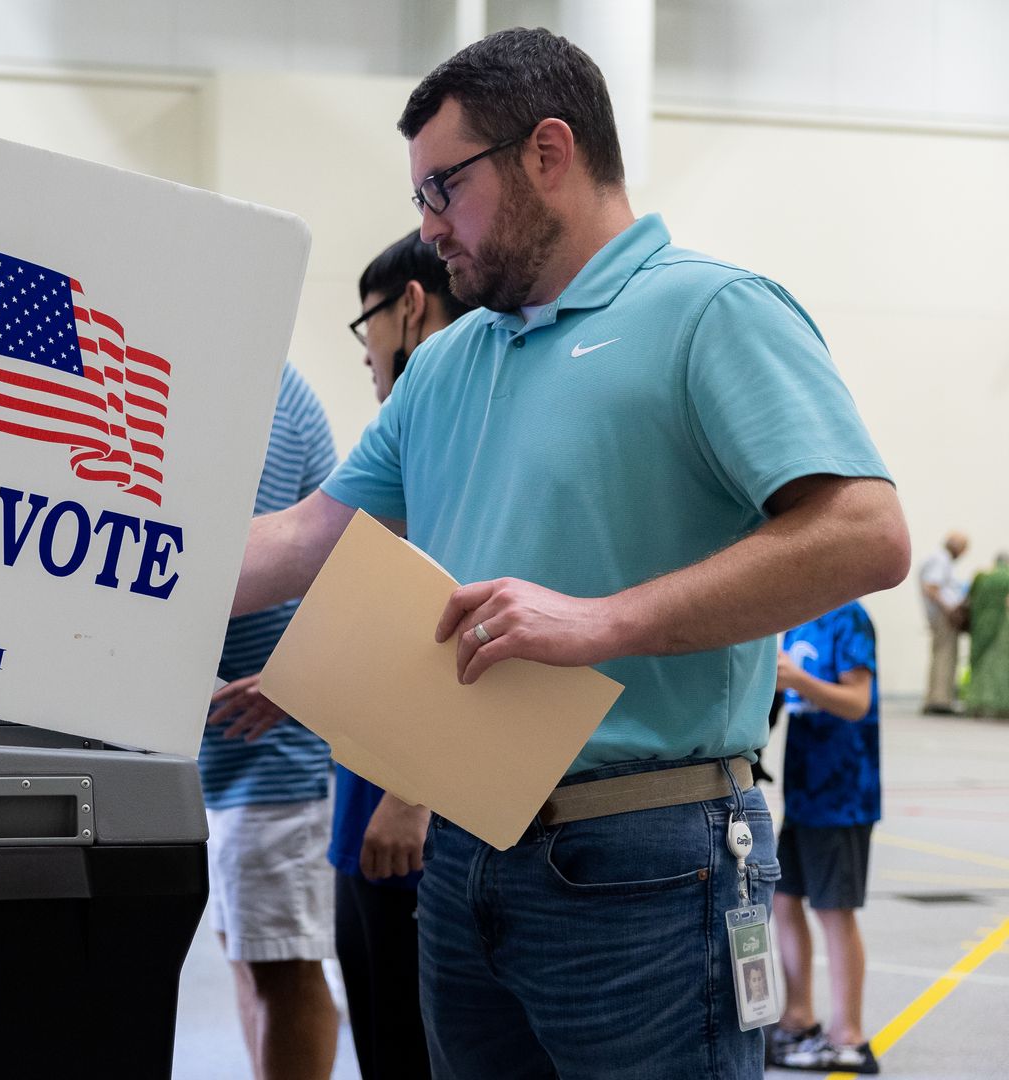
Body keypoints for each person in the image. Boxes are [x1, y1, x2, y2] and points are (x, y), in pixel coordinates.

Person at [232, 27, 909, 1079]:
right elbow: (300, 542)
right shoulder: (450, 362)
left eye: (443, 189)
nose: (426, 227)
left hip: (654, 862)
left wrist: (600, 622)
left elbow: (864, 533)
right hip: (466, 859)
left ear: (548, 152)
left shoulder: (709, 312)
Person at [332, 230, 467, 1079]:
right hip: (367, 782)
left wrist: (412, 793)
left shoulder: (458, 429)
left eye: (367, 324)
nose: (366, 352)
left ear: (409, 306)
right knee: (381, 1029)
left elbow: (459, 613)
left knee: (408, 1045)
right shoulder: (406, 434)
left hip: (408, 804)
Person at [200, 361, 339, 1080]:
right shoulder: (220, 379)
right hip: (217, 746)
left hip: (272, 742)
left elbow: (229, 557)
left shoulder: (263, 390)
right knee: (251, 958)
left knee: (282, 966)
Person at [769, 600, 882, 1075]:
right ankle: (798, 1019)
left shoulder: (850, 618)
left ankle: (849, 1037)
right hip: (804, 792)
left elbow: (858, 702)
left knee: (834, 911)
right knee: (784, 900)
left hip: (843, 793)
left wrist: (796, 679)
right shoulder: (795, 621)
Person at [919, 531, 968, 713]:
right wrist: (950, 611)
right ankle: (940, 702)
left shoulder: (939, 559)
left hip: (940, 615)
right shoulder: (941, 560)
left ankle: (935, 699)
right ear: (956, 546)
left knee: (940, 655)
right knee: (945, 656)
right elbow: (931, 588)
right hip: (943, 616)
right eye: (963, 549)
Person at [963, 553, 1009, 718]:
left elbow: (969, 598)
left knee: (980, 663)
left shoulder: (982, 577)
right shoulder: (1006, 578)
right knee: (1001, 666)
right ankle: (1001, 706)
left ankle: (977, 703)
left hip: (980, 623)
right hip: (1002, 626)